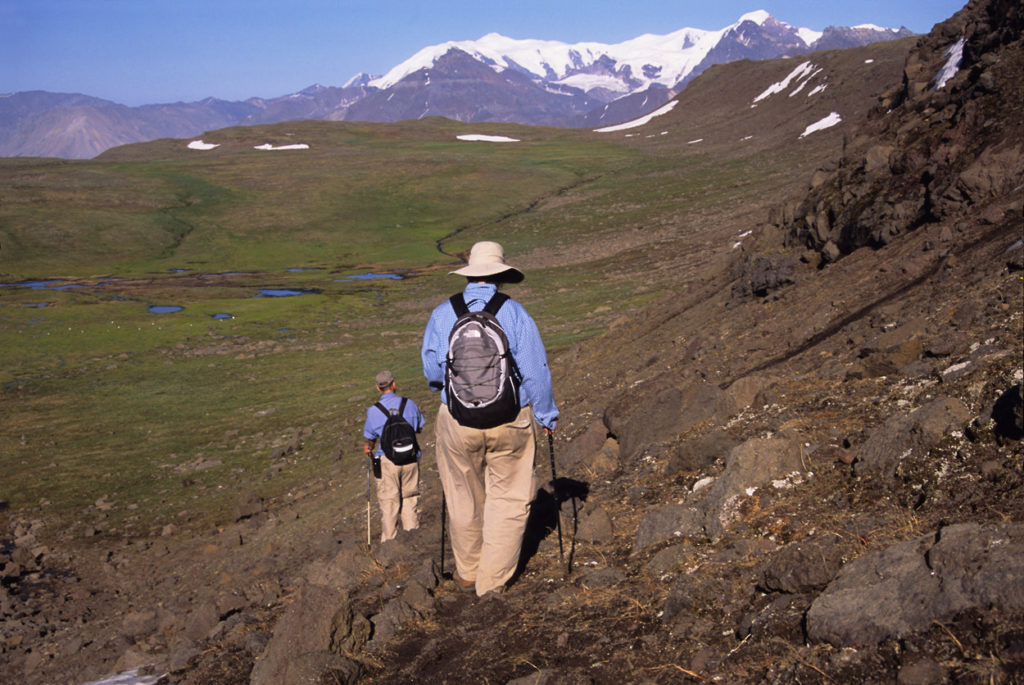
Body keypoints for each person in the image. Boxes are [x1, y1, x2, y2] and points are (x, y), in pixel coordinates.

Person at [422, 241, 558, 597]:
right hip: (511, 419)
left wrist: (451, 390)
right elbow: (535, 371)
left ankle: (467, 573)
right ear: (500, 275)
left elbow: (432, 371)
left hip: (456, 419)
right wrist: (546, 414)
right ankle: (492, 582)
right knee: (509, 498)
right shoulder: (514, 314)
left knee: (463, 495)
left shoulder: (442, 314)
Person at [363, 370, 425, 542]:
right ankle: (413, 540)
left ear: (378, 388)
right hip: (411, 459)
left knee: (389, 504)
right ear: (394, 384)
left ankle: (389, 545)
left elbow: (371, 438)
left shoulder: (373, 411)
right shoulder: (409, 404)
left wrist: (369, 447)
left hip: (387, 462)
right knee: (410, 500)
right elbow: (419, 428)